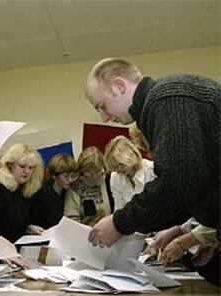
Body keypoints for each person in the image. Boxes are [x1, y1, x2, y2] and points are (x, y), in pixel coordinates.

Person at [84, 58, 220, 285]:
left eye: (101, 106)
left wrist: (119, 223)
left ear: (119, 86)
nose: (104, 117)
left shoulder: (167, 98)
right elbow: (193, 188)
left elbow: (177, 183)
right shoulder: (161, 104)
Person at [0, 143, 45, 243]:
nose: (26, 171)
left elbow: (13, 222)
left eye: (31, 168)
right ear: (10, 165)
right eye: (22, 166)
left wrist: (27, 228)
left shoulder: (22, 189)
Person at [64, 146, 113, 226]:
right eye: (90, 172)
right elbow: (71, 220)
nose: (94, 176)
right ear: (82, 170)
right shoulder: (75, 187)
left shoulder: (109, 180)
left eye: (97, 171)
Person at [104, 135, 155, 211]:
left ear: (132, 155)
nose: (118, 170)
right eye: (115, 167)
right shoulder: (115, 177)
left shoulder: (152, 170)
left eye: (121, 165)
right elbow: (118, 209)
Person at [30, 154, 77, 229]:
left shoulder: (64, 191)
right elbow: (55, 221)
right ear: (54, 176)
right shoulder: (43, 193)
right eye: (66, 176)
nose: (70, 180)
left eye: (72, 176)